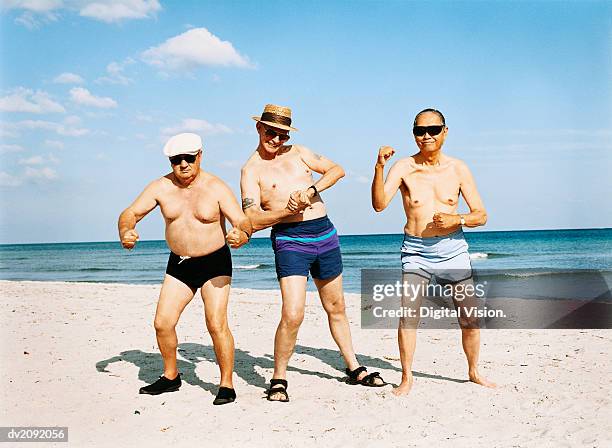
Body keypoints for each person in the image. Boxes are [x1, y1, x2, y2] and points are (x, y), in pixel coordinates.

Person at [240, 104, 385, 402]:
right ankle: (279, 377)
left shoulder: (300, 152)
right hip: (290, 241)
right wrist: (285, 210)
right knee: (293, 314)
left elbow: (337, 170)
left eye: (282, 135)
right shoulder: (250, 170)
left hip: (326, 235)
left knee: (337, 307)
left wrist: (311, 191)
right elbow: (251, 220)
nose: (277, 140)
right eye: (271, 133)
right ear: (258, 128)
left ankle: (353, 366)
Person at [117, 132, 252, 405]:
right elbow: (130, 213)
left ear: (199, 156)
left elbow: (242, 221)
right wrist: (126, 230)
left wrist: (242, 234)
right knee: (162, 323)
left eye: (188, 158)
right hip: (179, 263)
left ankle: (226, 384)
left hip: (215, 261)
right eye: (176, 160)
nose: (183, 165)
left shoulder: (216, 187)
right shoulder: (160, 187)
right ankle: (171, 376)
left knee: (216, 323)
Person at [371, 108, 496, 396]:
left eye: (433, 130)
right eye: (419, 131)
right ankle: (406, 378)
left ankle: (474, 371)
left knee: (469, 318)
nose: (425, 136)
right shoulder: (403, 167)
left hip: (453, 249)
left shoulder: (458, 169)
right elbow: (379, 205)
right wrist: (378, 167)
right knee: (408, 317)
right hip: (415, 251)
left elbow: (481, 215)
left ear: (445, 132)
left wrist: (457, 219)